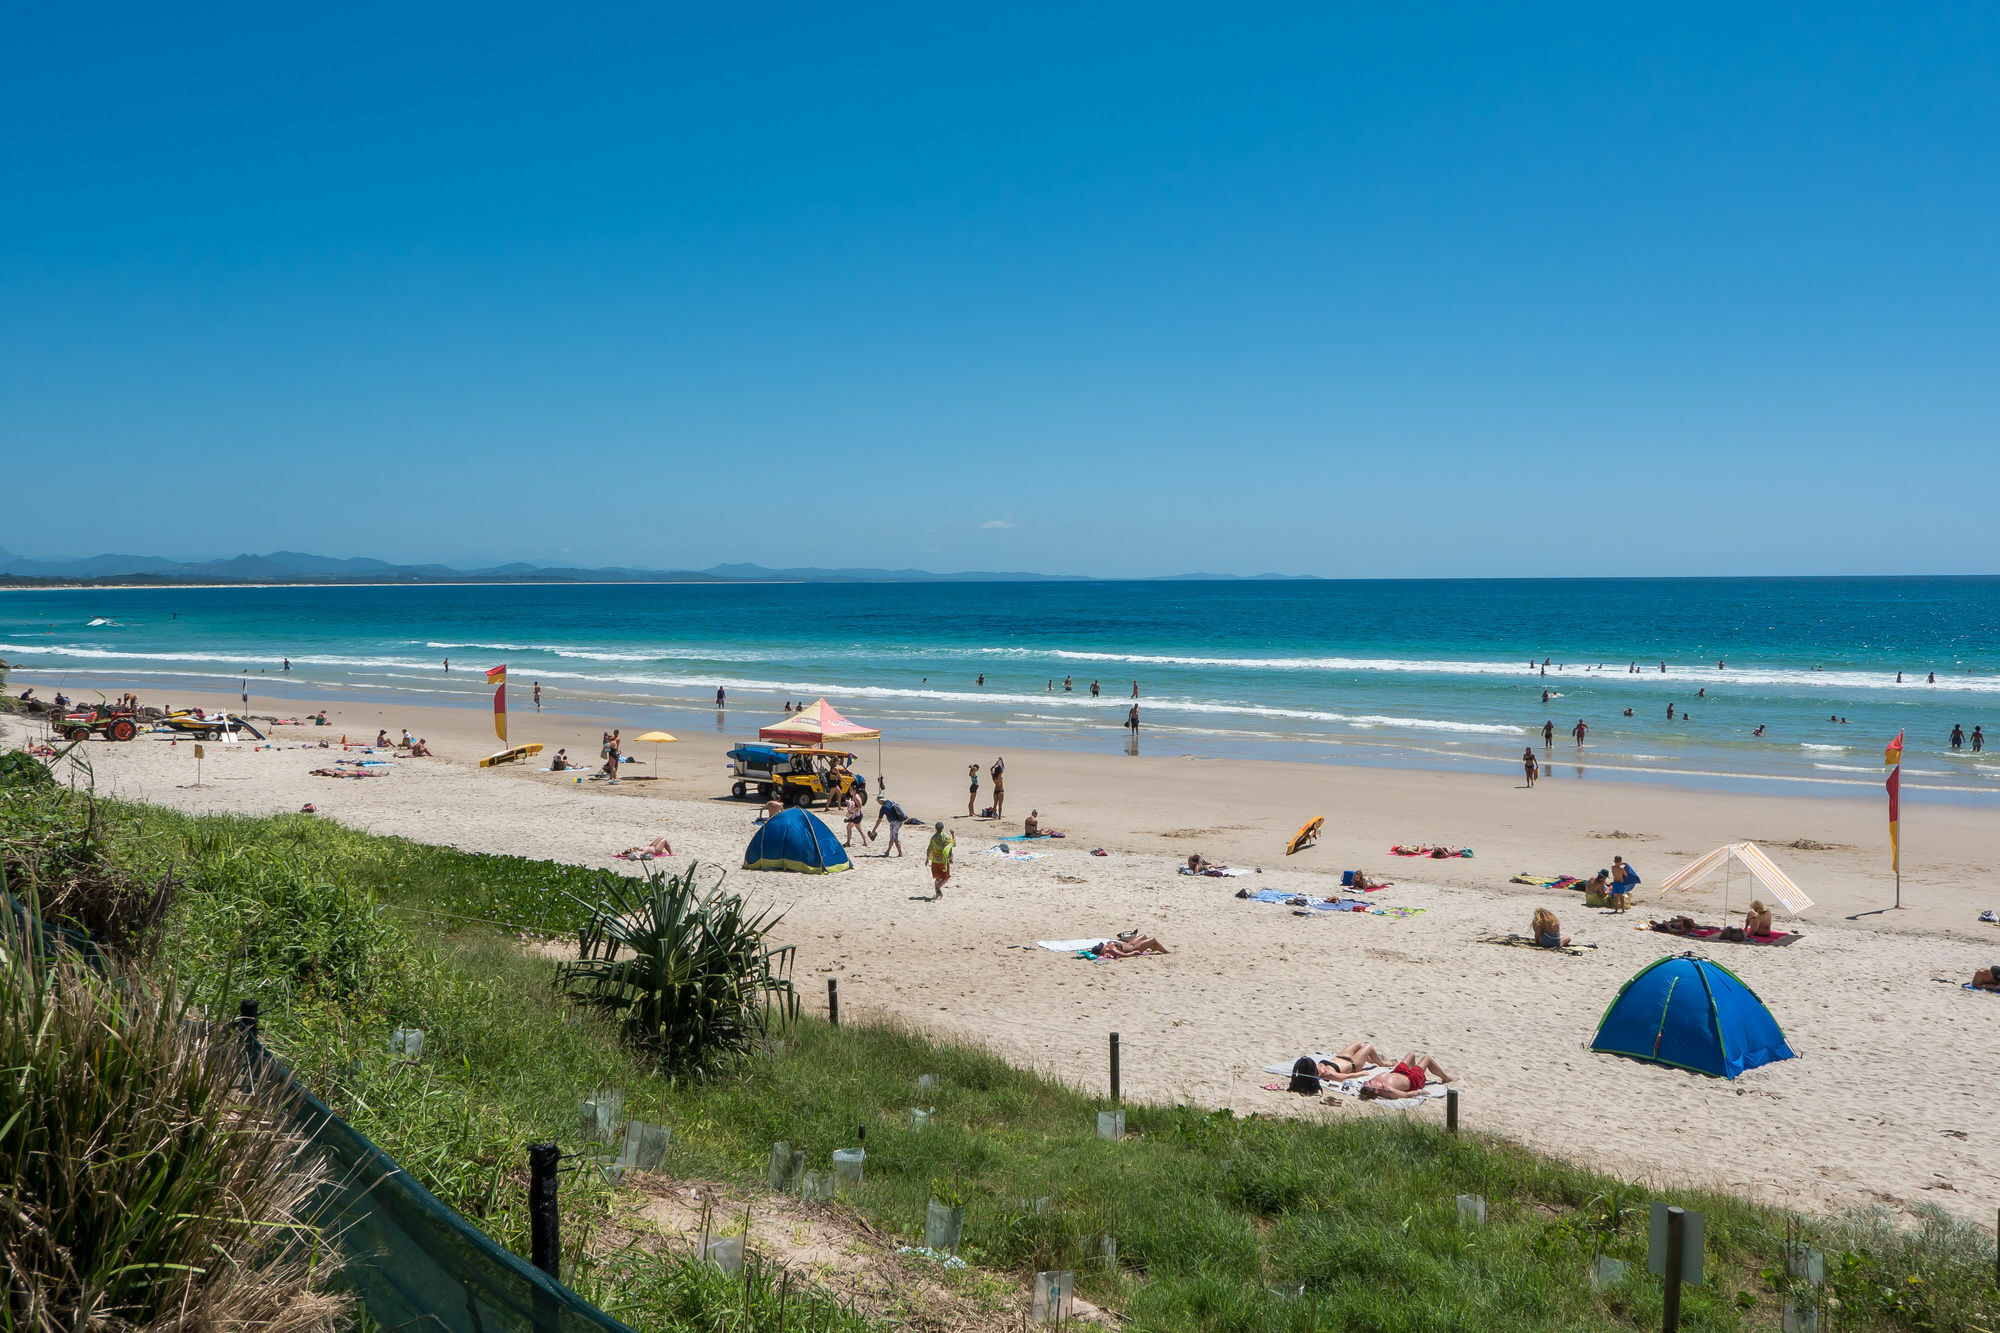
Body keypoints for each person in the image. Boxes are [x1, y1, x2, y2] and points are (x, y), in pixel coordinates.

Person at [1360, 1053, 1453, 1100]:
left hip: (1398, 1071)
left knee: (1411, 1054)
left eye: (1367, 1083)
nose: (1368, 1081)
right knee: (1427, 1058)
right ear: (1376, 1090)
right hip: (1413, 1079)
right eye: (1370, 1084)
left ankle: (1414, 1068)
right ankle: (1446, 1078)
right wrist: (1420, 1092)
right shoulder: (1388, 1089)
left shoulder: (1372, 1083)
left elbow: (1366, 1086)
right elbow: (1406, 1095)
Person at [925, 823, 955, 899]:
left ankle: (937, 894)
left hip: (935, 860)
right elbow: (953, 844)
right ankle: (938, 888)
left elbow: (929, 849)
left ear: (935, 828)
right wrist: (952, 834)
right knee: (946, 878)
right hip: (943, 861)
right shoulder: (946, 837)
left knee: (937, 878)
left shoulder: (933, 838)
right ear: (943, 828)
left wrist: (927, 859)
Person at [1093, 933, 1168, 959]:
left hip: (1129, 943)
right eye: (1102, 947)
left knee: (1144, 936)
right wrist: (1134, 952)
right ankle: (1166, 952)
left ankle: (1154, 948)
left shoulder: (1107, 946)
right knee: (1153, 939)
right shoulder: (1112, 950)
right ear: (1102, 950)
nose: (1104, 946)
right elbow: (1124, 955)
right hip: (1133, 948)